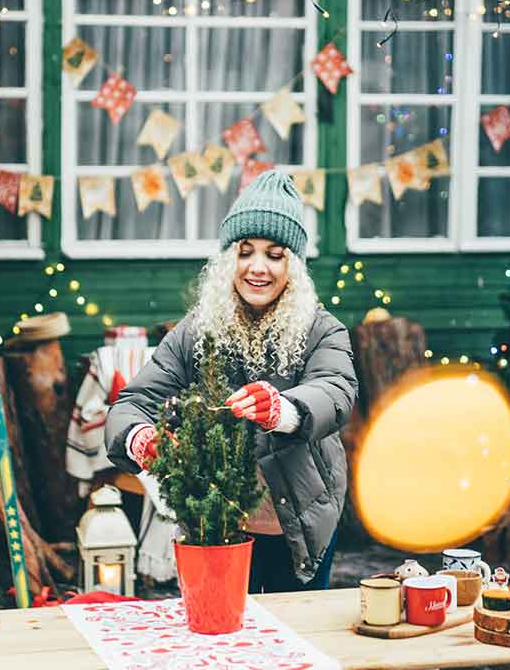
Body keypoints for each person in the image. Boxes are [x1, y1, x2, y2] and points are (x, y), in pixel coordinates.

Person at [106, 170, 357, 593]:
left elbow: (334, 390)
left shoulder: (322, 331)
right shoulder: (196, 332)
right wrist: (138, 436)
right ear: (228, 262)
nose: (257, 268)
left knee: (294, 640)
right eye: (245, 252)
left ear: (293, 266)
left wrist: (284, 410)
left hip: (298, 521)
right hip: (217, 525)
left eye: (274, 255)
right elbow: (133, 402)